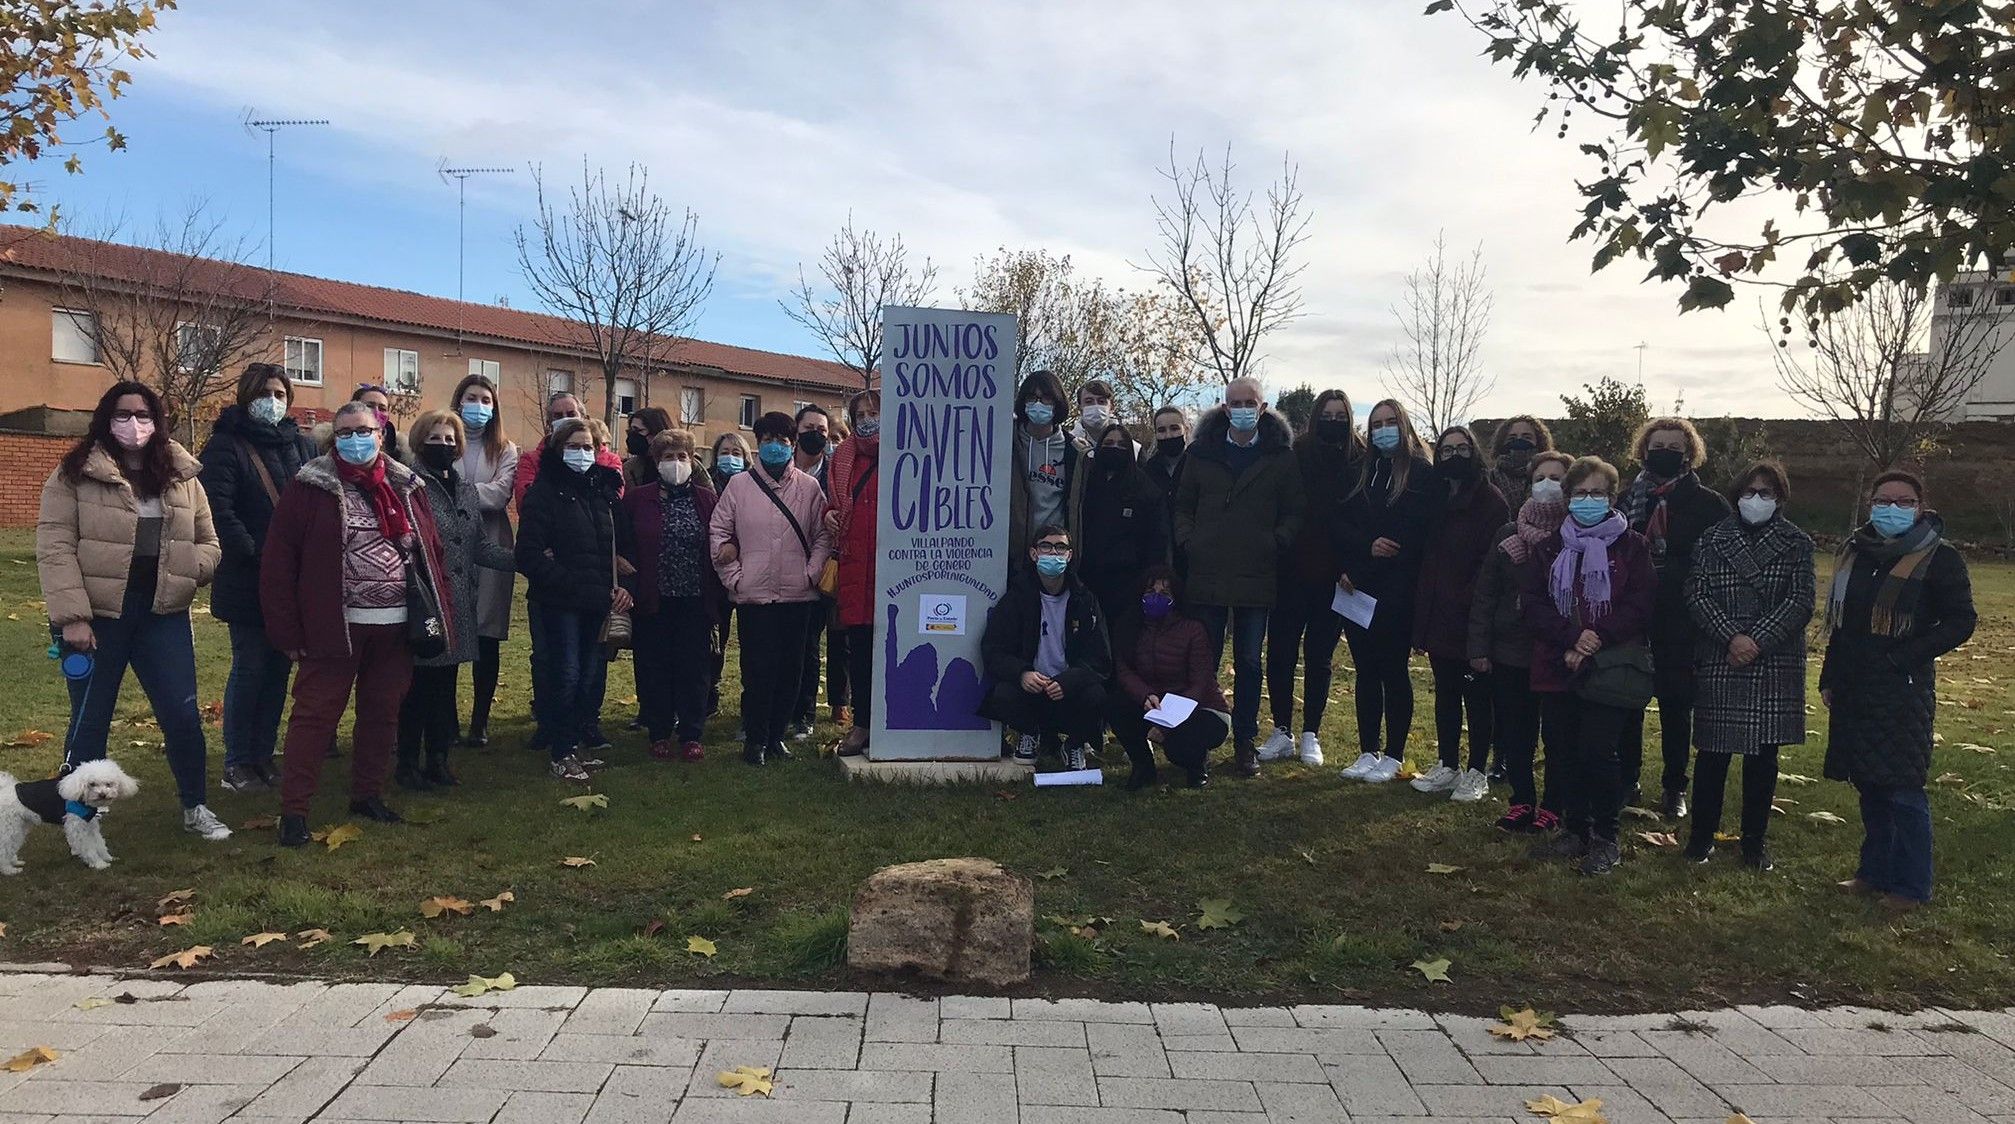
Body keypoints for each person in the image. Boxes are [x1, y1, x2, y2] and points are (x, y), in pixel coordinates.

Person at [38, 381, 226, 841]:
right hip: (97, 616)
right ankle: (80, 818)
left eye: (143, 415)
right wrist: (73, 617)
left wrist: (190, 569)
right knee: (91, 714)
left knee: (182, 715)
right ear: (106, 419)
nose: (134, 424)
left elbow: (209, 541)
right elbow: (55, 547)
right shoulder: (74, 473)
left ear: (157, 421)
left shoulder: (182, 475)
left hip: (163, 613)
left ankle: (195, 805)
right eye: (122, 414)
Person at [262, 401, 449, 845]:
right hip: (332, 625)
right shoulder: (310, 487)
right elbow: (279, 561)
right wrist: (287, 630)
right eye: (344, 432)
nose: (354, 439)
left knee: (382, 713)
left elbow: (431, 552)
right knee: (314, 716)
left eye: (363, 430)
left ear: (380, 434)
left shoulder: (406, 485)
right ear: (333, 439)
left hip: (396, 624)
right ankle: (294, 812)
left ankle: (368, 794)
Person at [1821, 471, 1975, 910]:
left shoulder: (1939, 557)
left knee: (1903, 788)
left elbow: (1961, 620)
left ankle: (1911, 886)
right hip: (1855, 683)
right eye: (1883, 499)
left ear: (1920, 506)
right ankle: (1874, 873)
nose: (1892, 508)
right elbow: (1842, 623)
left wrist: (1903, 656)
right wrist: (1830, 677)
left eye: (1903, 501)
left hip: (1902, 686)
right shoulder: (1855, 552)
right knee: (1869, 783)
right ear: (1870, 503)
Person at [1522, 456, 1656, 876]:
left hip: (1609, 666)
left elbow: (1641, 601)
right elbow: (1534, 604)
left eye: (1597, 493)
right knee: (1562, 751)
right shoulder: (1549, 547)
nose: (1587, 499)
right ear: (1568, 498)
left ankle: (1605, 836)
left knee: (1599, 751)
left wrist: (1597, 636)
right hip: (1557, 662)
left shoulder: (1632, 546)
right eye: (1579, 493)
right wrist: (1570, 637)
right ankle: (1574, 828)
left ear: (1612, 497)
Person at [1683, 461, 1814, 871]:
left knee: (1763, 760)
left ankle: (1754, 842)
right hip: (1723, 655)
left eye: (1766, 493)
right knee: (1712, 756)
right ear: (1736, 494)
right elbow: (1696, 593)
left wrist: (1756, 640)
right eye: (1749, 491)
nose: (1756, 499)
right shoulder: (1711, 539)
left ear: (1780, 499)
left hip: (1771, 660)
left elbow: (1801, 601)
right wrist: (1731, 637)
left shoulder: (1797, 543)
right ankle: (1700, 838)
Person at [1175, 379, 1304, 777]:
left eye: (1251, 402)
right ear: (1225, 407)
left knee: (1249, 661)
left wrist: (1275, 542)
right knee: (1204, 659)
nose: (1243, 408)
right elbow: (1182, 505)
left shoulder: (1281, 457)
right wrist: (1188, 541)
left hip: (1256, 573)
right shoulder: (1200, 453)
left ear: (1263, 408)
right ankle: (1200, 738)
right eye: (1236, 403)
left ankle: (1245, 741)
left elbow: (1294, 511)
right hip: (1207, 571)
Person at [201, 362, 317, 793]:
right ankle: (237, 761)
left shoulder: (301, 447)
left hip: (294, 581)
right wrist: (259, 553)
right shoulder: (225, 446)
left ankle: (264, 754)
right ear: (247, 396)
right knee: (249, 667)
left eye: (281, 393)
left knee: (278, 669)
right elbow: (220, 511)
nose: (273, 401)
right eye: (265, 393)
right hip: (248, 580)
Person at [395, 411, 514, 792]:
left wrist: (523, 561)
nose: (443, 445)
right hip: (426, 602)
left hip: (459, 604)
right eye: (435, 438)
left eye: (450, 439)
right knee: (418, 688)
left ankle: (439, 759)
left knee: (446, 686)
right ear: (419, 440)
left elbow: (477, 544)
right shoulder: (407, 485)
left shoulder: (463, 488)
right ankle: (407, 762)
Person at [1618, 417, 1728, 817]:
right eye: (1657, 444)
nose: (1664, 451)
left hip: (1682, 618)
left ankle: (1674, 786)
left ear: (1689, 453)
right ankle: (1627, 778)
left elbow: (1718, 561)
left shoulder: (1708, 504)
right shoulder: (1627, 498)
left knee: (1676, 705)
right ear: (1644, 450)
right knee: (1627, 698)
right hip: (1633, 614)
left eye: (1674, 446)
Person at [710, 411, 833, 766]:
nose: (776, 447)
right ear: (757, 445)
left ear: (793, 444)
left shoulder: (810, 488)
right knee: (757, 670)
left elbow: (823, 535)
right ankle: (755, 739)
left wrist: (811, 573)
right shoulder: (738, 487)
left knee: (791, 670)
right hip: (755, 597)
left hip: (798, 596)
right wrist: (735, 577)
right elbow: (718, 533)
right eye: (768, 441)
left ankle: (777, 736)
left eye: (783, 441)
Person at [517, 418, 632, 782]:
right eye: (573, 446)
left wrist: (618, 583)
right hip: (560, 602)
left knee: (588, 676)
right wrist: (570, 583)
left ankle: (575, 744)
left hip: (597, 602)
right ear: (556, 450)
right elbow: (529, 556)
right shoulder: (543, 493)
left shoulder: (603, 493)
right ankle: (561, 751)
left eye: (588, 447)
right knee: (565, 674)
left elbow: (615, 548)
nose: (582, 454)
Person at [1337, 400, 1440, 784]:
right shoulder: (1359, 472)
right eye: (1376, 424)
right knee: (1365, 671)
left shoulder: (1421, 475)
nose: (1382, 430)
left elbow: (1410, 535)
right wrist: (1355, 561)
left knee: (1393, 671)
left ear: (1403, 425)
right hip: (1355, 588)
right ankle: (1367, 749)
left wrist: (1371, 556)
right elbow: (1343, 524)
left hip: (1397, 589)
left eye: (1389, 423)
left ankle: (1394, 753)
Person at [1470, 451, 1573, 832]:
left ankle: (1552, 805)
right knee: (1516, 732)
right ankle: (1522, 800)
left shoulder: (1577, 537)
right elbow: (1486, 594)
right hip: (1510, 650)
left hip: (1557, 651)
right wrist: (1479, 648)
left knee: (1558, 735)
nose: (1547, 485)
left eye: (1556, 478)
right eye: (1540, 477)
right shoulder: (1509, 535)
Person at [1261, 390, 1361, 767]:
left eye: (1340, 415)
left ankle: (1311, 734)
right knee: (1281, 653)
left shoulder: (1360, 457)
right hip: (1290, 570)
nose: (1333, 421)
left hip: (1336, 577)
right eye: (1327, 414)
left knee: (1319, 656)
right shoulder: (1296, 453)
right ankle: (1281, 730)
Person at [1411, 425, 1509, 802]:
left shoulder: (1491, 500)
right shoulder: (1435, 498)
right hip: (1438, 614)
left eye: (1461, 448)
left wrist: (1465, 597)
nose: (1454, 456)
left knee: (1478, 698)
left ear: (1474, 452)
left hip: (1472, 615)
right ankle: (1447, 763)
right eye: (1446, 450)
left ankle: (1476, 771)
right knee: (1446, 693)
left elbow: (1492, 561)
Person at [621, 429, 723, 762]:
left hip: (696, 598)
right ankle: (659, 731)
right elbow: (623, 542)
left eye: (682, 457)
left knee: (694, 668)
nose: (675, 463)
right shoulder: (638, 499)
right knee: (653, 667)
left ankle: (691, 733)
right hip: (653, 598)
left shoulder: (706, 499)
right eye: (668, 457)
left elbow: (720, 540)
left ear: (692, 461)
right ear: (656, 461)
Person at [979, 524, 1112, 769]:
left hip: (1067, 690)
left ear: (1069, 555)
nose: (1053, 553)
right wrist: (1022, 673)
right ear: (1033, 553)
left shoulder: (1086, 600)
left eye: (1061, 548)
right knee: (1002, 694)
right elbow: (993, 650)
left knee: (1097, 696)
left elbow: (1100, 658)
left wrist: (1069, 680)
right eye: (1046, 547)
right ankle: (1029, 733)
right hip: (1032, 689)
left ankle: (1073, 745)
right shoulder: (1015, 598)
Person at [1109, 565, 1228, 789]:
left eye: (1164, 594)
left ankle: (1196, 764)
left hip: (1200, 708)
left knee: (1180, 745)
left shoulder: (1194, 629)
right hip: (1153, 702)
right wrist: (1145, 695)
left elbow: (1200, 683)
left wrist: (1168, 722)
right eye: (1150, 592)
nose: (1156, 598)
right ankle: (1143, 766)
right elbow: (1124, 671)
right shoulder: (1129, 626)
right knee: (1116, 705)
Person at [449, 373, 519, 748]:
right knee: (447, 632)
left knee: (486, 635)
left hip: (491, 540)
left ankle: (480, 722)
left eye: (486, 399)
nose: (478, 406)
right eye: (471, 397)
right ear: (458, 401)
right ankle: (446, 721)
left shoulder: (506, 449)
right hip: (448, 544)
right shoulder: (445, 439)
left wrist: (452, 494)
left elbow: (498, 496)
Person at [1078, 422, 1168, 643]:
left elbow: (1156, 540)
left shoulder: (1145, 489)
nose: (1114, 448)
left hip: (1127, 584)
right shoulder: (1084, 482)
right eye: (1108, 443)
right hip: (1086, 579)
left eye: (1121, 444)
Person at [828, 390, 882, 756]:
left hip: (894, 570)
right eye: (860, 413)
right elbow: (832, 504)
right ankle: (862, 723)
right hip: (855, 568)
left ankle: (895, 719)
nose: (867, 419)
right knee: (860, 650)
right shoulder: (843, 457)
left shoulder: (905, 452)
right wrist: (828, 516)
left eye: (874, 412)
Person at [789, 403, 838, 741]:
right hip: (778, 569)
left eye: (822, 430)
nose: (817, 435)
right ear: (796, 431)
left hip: (821, 573)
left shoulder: (836, 471)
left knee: (808, 644)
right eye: (810, 428)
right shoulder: (778, 466)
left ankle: (803, 714)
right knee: (776, 644)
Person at [1007, 370, 1086, 568]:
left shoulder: (1074, 452)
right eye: (1032, 398)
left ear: (1057, 403)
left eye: (1046, 398)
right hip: (1011, 552)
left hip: (1053, 554)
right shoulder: (1008, 442)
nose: (1038, 404)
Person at [706, 431, 752, 716]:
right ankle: (711, 692)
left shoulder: (754, 486)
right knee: (714, 640)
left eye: (737, 453)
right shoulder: (705, 484)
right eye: (725, 452)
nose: (730, 458)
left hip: (749, 575)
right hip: (715, 575)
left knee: (750, 643)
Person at [513, 392, 622, 507]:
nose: (566, 419)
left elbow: (614, 500)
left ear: (584, 418)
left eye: (571, 414)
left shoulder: (609, 460)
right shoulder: (532, 460)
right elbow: (526, 502)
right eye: (558, 416)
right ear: (549, 423)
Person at [1141, 406, 1190, 574]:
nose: (1168, 435)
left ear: (1186, 429)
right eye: (1161, 430)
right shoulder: (1148, 471)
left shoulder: (1198, 465)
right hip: (1157, 559)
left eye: (1174, 428)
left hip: (1193, 557)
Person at [1486, 415, 1555, 505]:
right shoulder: (1489, 479)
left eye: (1527, 437)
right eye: (1512, 438)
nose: (1519, 441)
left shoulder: (1552, 477)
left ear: (1539, 442)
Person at [622, 406, 673, 489]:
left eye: (639, 430)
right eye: (630, 430)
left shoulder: (682, 464)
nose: (632, 435)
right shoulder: (629, 468)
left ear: (655, 432)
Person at [352, 383, 405, 463]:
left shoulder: (402, 454)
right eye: (369, 406)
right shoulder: (338, 444)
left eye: (382, 409)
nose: (376, 412)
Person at [1068, 378, 1118, 448]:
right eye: (1089, 401)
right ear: (1080, 408)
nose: (1095, 406)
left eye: (1101, 401)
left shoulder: (1131, 448)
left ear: (1112, 407)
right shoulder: (1067, 445)